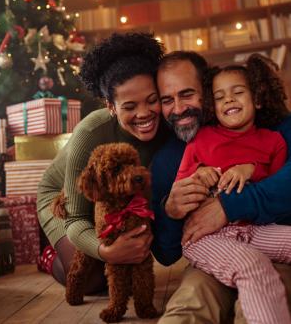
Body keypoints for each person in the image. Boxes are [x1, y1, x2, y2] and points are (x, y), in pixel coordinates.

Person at [151, 50, 291, 323]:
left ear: (205, 89)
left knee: (265, 288)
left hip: (268, 241)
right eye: (168, 99)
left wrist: (230, 203)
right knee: (190, 303)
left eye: (187, 94)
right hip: (212, 251)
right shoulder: (169, 157)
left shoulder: (277, 129)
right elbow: (166, 253)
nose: (178, 109)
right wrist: (171, 210)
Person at [36, 32, 170, 294]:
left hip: (116, 201)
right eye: (129, 106)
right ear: (111, 106)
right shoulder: (91, 132)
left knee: (127, 277)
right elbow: (76, 217)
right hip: (65, 199)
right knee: (92, 281)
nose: (144, 114)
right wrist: (105, 250)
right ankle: (49, 256)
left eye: (152, 100)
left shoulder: (169, 125)